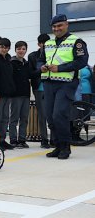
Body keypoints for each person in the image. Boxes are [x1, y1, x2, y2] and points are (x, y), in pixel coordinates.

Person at [39, 14, 89, 160]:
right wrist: (41, 66)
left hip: (66, 84)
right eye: (54, 27)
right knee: (50, 117)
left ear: (66, 25)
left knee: (59, 115)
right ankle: (57, 146)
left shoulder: (77, 42)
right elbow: (40, 60)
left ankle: (65, 147)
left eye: (59, 26)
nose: (57, 29)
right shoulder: (48, 43)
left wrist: (60, 68)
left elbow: (82, 62)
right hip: (48, 83)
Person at [27, 34, 51, 148]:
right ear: (39, 44)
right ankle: (44, 139)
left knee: (53, 114)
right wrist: (40, 70)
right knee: (42, 115)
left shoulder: (53, 53)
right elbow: (30, 73)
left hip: (52, 86)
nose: (45, 46)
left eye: (47, 44)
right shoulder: (32, 56)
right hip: (39, 87)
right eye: (43, 44)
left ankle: (55, 139)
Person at [9, 41, 30, 148]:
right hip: (15, 95)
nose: (21, 51)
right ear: (15, 50)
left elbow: (31, 75)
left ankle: (22, 139)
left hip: (26, 94)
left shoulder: (26, 63)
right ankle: (13, 140)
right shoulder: (11, 63)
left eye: (23, 49)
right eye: (19, 49)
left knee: (24, 118)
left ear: (26, 50)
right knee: (14, 118)